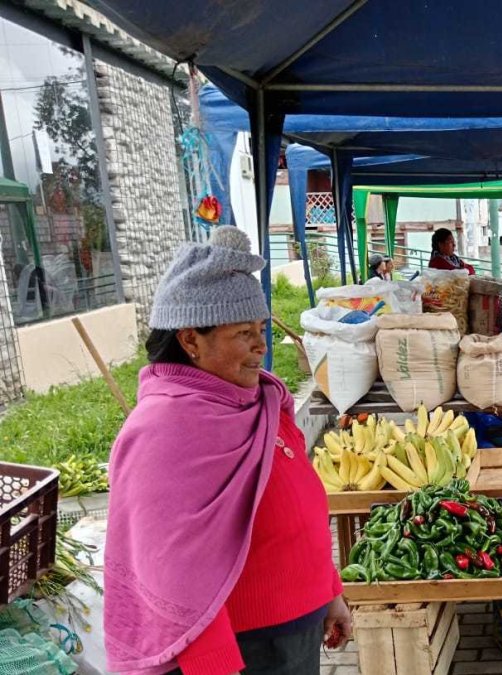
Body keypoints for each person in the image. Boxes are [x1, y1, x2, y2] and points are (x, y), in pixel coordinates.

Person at [104, 226, 352, 675]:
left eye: (261, 328)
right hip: (244, 649)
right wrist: (213, 664)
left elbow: (301, 507)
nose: (262, 344)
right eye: (243, 333)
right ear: (190, 340)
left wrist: (329, 591)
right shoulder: (164, 430)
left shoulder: (263, 400)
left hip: (296, 626)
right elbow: (172, 574)